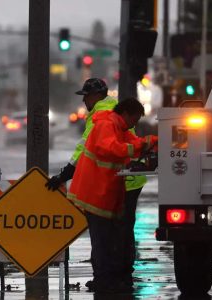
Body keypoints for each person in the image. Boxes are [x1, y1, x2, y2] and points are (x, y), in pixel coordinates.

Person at [45, 78, 147, 288]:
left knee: (106, 233)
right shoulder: (114, 110)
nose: (84, 101)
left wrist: (62, 177)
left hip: (117, 181)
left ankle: (111, 277)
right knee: (123, 231)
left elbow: (84, 150)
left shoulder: (101, 116)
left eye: (86, 96)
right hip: (129, 179)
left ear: (95, 96)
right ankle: (122, 276)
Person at [67, 98, 157, 294]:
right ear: (125, 113)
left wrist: (151, 142)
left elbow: (131, 142)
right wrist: (141, 147)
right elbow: (111, 149)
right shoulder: (106, 125)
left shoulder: (118, 127)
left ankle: (107, 278)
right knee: (102, 240)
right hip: (95, 193)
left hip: (104, 193)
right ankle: (103, 280)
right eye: (135, 119)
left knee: (108, 239)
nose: (135, 124)